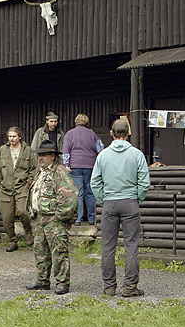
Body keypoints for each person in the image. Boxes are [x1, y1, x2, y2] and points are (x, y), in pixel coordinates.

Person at [90, 119, 150, 297]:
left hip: (109, 202)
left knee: (108, 247)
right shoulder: (137, 154)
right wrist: (136, 198)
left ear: (111, 133)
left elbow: (95, 183)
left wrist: (104, 199)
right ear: (128, 133)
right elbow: (144, 183)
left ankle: (109, 287)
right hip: (130, 202)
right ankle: (129, 287)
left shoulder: (103, 155)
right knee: (131, 246)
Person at [25, 140, 78, 295]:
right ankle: (42, 281)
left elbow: (71, 196)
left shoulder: (59, 171)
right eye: (39, 155)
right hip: (39, 218)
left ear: (53, 156)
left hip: (53, 219)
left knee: (59, 251)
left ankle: (62, 283)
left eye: (44, 155)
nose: (40, 158)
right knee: (40, 251)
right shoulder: (40, 171)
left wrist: (61, 216)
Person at [0, 126, 37, 252]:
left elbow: (33, 168)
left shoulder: (27, 150)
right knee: (7, 217)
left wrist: (29, 182)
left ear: (20, 136)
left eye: (14, 136)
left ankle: (28, 233)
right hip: (6, 188)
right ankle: (12, 241)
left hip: (22, 186)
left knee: (24, 212)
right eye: (10, 136)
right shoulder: (3, 150)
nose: (11, 139)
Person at [62, 114, 104, 226]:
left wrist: (66, 164)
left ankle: (78, 219)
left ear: (76, 122)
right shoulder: (92, 134)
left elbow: (65, 150)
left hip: (75, 166)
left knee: (79, 193)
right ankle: (91, 218)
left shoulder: (69, 134)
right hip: (90, 166)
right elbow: (101, 148)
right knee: (90, 192)